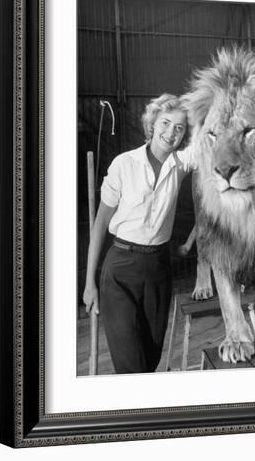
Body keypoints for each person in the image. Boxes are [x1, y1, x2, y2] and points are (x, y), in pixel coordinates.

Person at [83, 94, 193, 374]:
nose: (171, 133)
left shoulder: (181, 164)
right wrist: (89, 283)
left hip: (158, 269)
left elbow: (213, 141)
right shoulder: (124, 164)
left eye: (179, 128)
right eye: (166, 123)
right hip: (120, 269)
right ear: (153, 123)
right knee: (131, 366)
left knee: (150, 359)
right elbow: (100, 224)